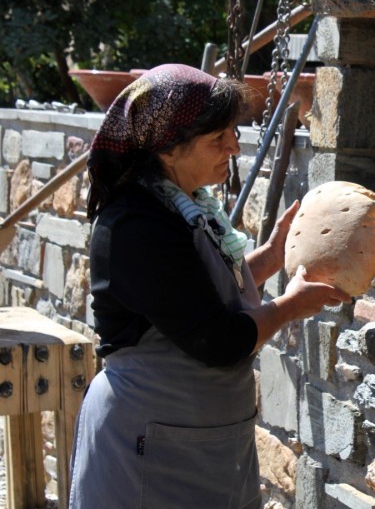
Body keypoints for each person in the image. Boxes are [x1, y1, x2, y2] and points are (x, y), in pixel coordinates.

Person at [70, 64, 350, 508]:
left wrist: (271, 256)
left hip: (198, 438)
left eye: (232, 132)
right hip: (149, 445)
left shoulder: (183, 206)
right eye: (218, 138)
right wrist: (290, 307)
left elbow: (194, 295)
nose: (234, 147)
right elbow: (217, 339)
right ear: (167, 149)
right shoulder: (137, 225)